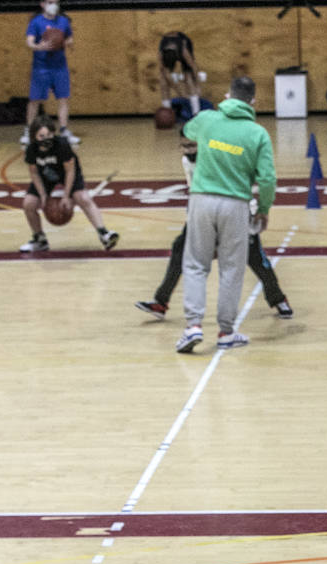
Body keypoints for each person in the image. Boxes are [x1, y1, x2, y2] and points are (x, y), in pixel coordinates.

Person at [135, 137, 292, 322]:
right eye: (184, 147)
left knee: (255, 258)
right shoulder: (187, 161)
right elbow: (195, 190)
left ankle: (278, 298)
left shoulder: (219, 157)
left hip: (235, 208)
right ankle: (160, 302)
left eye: (192, 146)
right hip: (205, 210)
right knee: (180, 248)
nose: (189, 151)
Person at [176, 75, 276, 355]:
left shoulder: (207, 119)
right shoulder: (258, 134)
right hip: (236, 204)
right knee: (232, 268)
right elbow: (267, 179)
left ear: (227, 95)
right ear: (253, 102)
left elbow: (187, 131)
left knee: (196, 263)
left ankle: (193, 326)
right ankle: (226, 332)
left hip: (202, 200)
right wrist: (264, 209)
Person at [19, 114, 118, 253]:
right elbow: (34, 173)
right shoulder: (31, 150)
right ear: (34, 136)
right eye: (41, 136)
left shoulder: (62, 145)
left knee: (82, 198)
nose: (46, 139)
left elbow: (70, 171)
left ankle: (104, 234)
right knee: (28, 203)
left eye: (49, 135)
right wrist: (42, 195)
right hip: (46, 176)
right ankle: (39, 240)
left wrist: (66, 196)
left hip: (68, 174)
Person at [21, 0, 78, 146]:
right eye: (50, 2)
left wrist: (68, 42)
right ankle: (29, 131)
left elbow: (69, 37)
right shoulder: (36, 22)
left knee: (63, 99)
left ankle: (64, 130)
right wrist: (39, 46)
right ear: (42, 4)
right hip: (41, 68)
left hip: (60, 67)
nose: (54, 5)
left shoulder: (64, 21)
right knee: (34, 100)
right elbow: (29, 41)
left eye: (56, 2)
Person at [158, 31, 202, 118]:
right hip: (168, 46)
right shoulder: (161, 54)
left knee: (188, 78)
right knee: (163, 81)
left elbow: (193, 67)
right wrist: (179, 92)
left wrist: (198, 85)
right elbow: (166, 74)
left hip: (182, 43)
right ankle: (167, 114)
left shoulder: (184, 51)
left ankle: (196, 114)